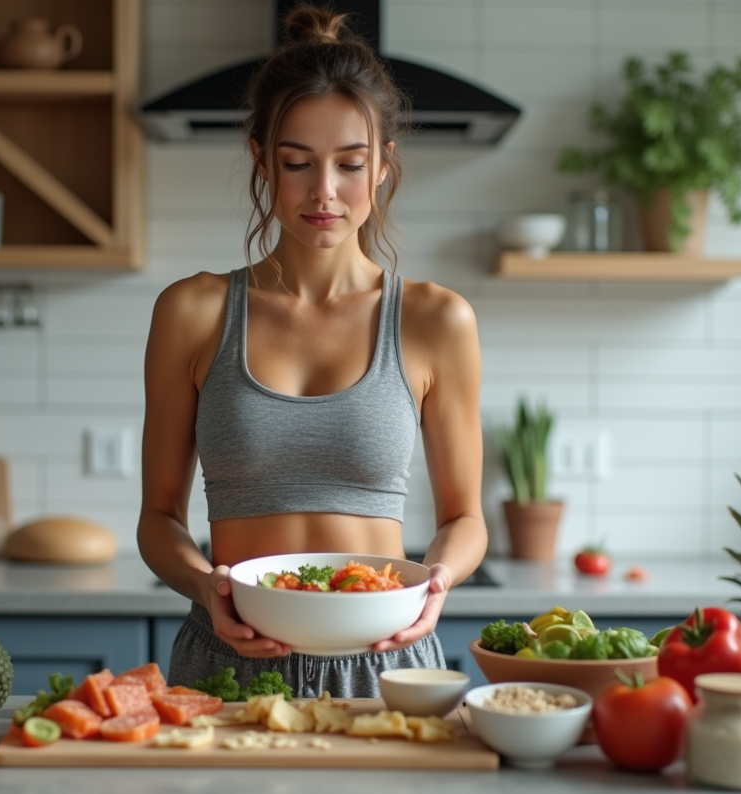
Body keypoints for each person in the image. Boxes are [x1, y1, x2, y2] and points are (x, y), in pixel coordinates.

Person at [137, 4, 486, 699]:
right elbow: (158, 520)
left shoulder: (435, 319)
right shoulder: (194, 312)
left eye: (350, 164)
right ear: (260, 158)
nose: (323, 192)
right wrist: (209, 588)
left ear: (384, 166)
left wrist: (438, 579)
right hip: (227, 663)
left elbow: (464, 518)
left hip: (383, 664)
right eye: (297, 163)